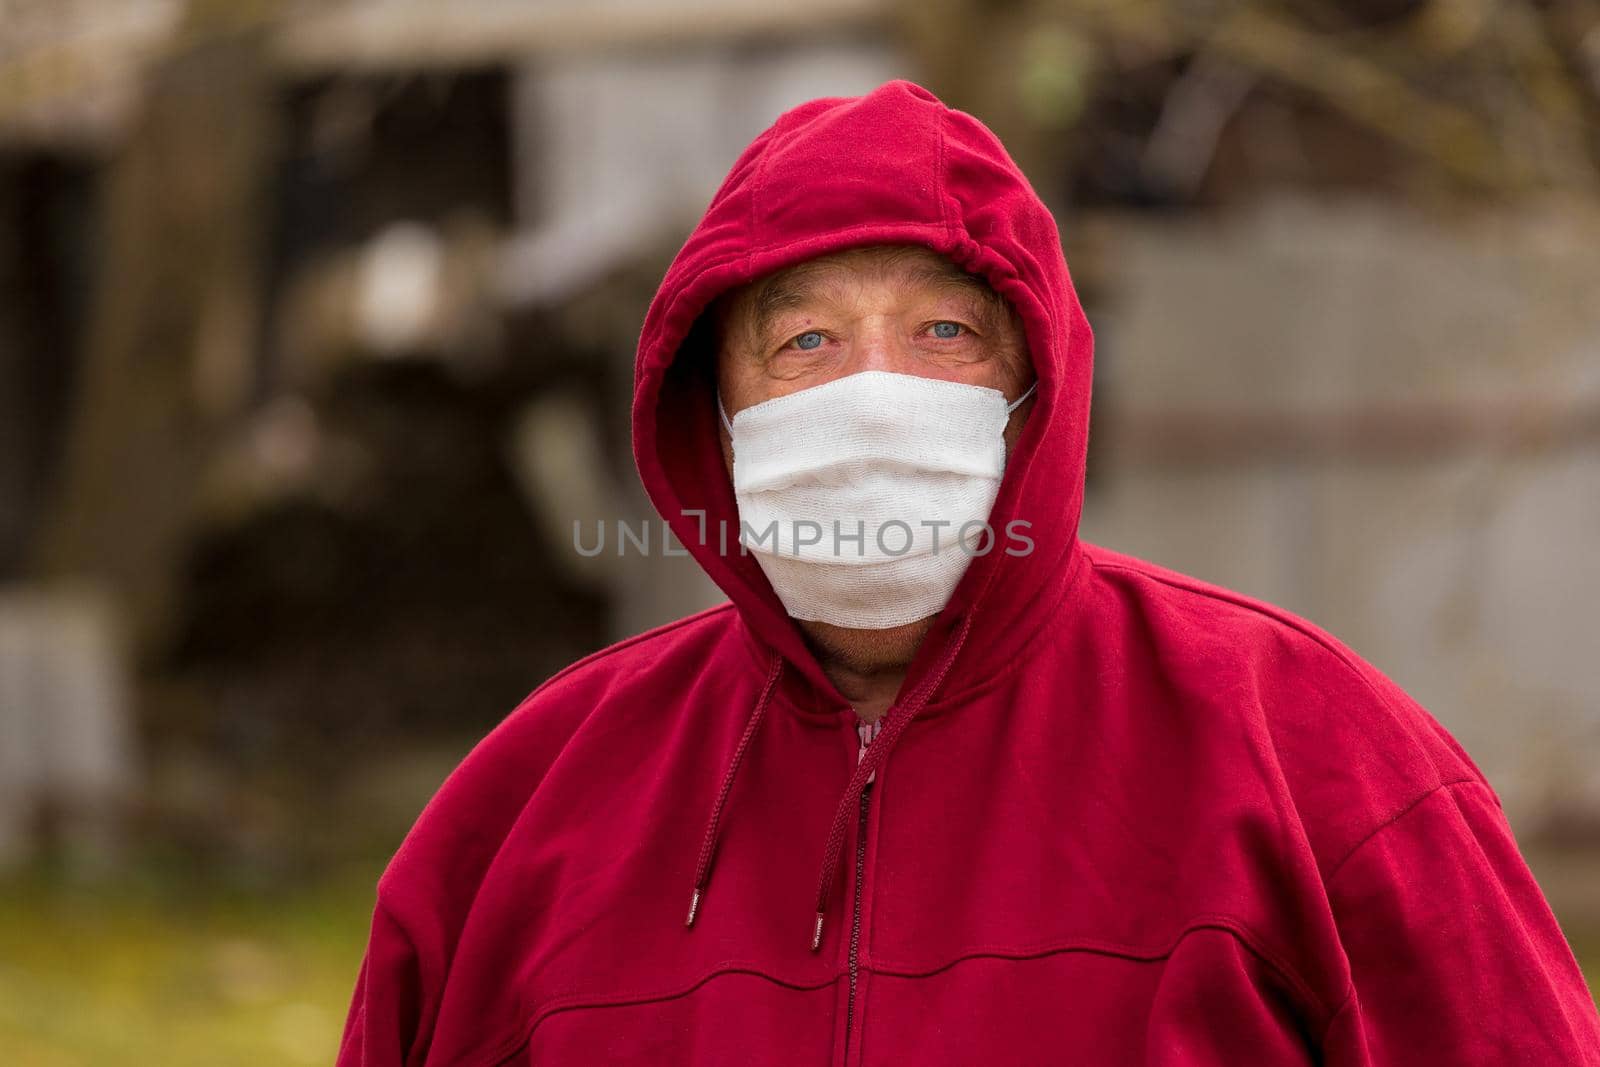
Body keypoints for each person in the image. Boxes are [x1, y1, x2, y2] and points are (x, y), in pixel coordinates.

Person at [337, 79, 1600, 1065]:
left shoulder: (1313, 754)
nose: (873, 396)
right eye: (804, 339)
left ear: (1034, 385)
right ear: (708, 410)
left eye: (944, 331)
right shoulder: (532, 811)